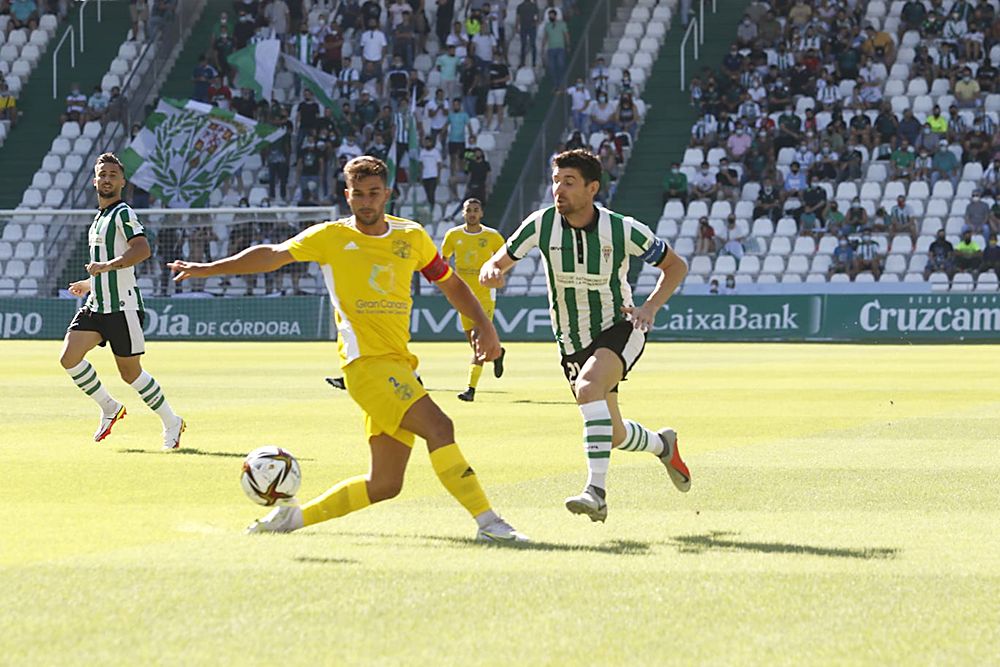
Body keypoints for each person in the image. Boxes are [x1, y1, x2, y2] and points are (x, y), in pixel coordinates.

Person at [168, 156, 526, 542]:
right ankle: (489, 524)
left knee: (386, 483)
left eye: (374, 193)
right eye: (358, 194)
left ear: (387, 194)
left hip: (400, 366)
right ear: (347, 195)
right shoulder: (331, 237)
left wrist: (484, 325)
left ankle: (291, 520)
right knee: (441, 427)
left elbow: (452, 283)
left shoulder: (412, 237)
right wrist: (207, 268)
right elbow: (271, 255)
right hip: (365, 366)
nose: (366, 202)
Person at [479, 149, 692, 523]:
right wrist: (492, 270)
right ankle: (662, 445)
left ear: (593, 188)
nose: (558, 190)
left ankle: (596, 492)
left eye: (569, 182)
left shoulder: (622, 229)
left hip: (619, 327)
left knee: (590, 387)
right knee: (611, 433)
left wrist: (650, 307)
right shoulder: (541, 224)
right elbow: (499, 258)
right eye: (556, 181)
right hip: (571, 342)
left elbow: (675, 265)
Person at [59, 153, 186, 450]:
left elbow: (141, 250)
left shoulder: (123, 213)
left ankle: (172, 421)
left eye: (112, 174)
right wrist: (90, 283)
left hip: (123, 308)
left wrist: (104, 267)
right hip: (96, 305)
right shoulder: (98, 219)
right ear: (94, 180)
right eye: (102, 174)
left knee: (130, 374)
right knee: (69, 358)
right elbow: (108, 267)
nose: (107, 179)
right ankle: (109, 407)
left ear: (122, 181)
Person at [440, 199, 507, 401]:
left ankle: (470, 390)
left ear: (481, 214)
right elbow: (444, 259)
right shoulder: (453, 235)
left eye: (475, 210)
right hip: (463, 298)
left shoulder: (492, 236)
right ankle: (498, 352)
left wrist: (497, 274)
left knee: (479, 344)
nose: (472, 214)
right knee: (476, 346)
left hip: (485, 297)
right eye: (468, 210)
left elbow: (504, 258)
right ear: (463, 213)